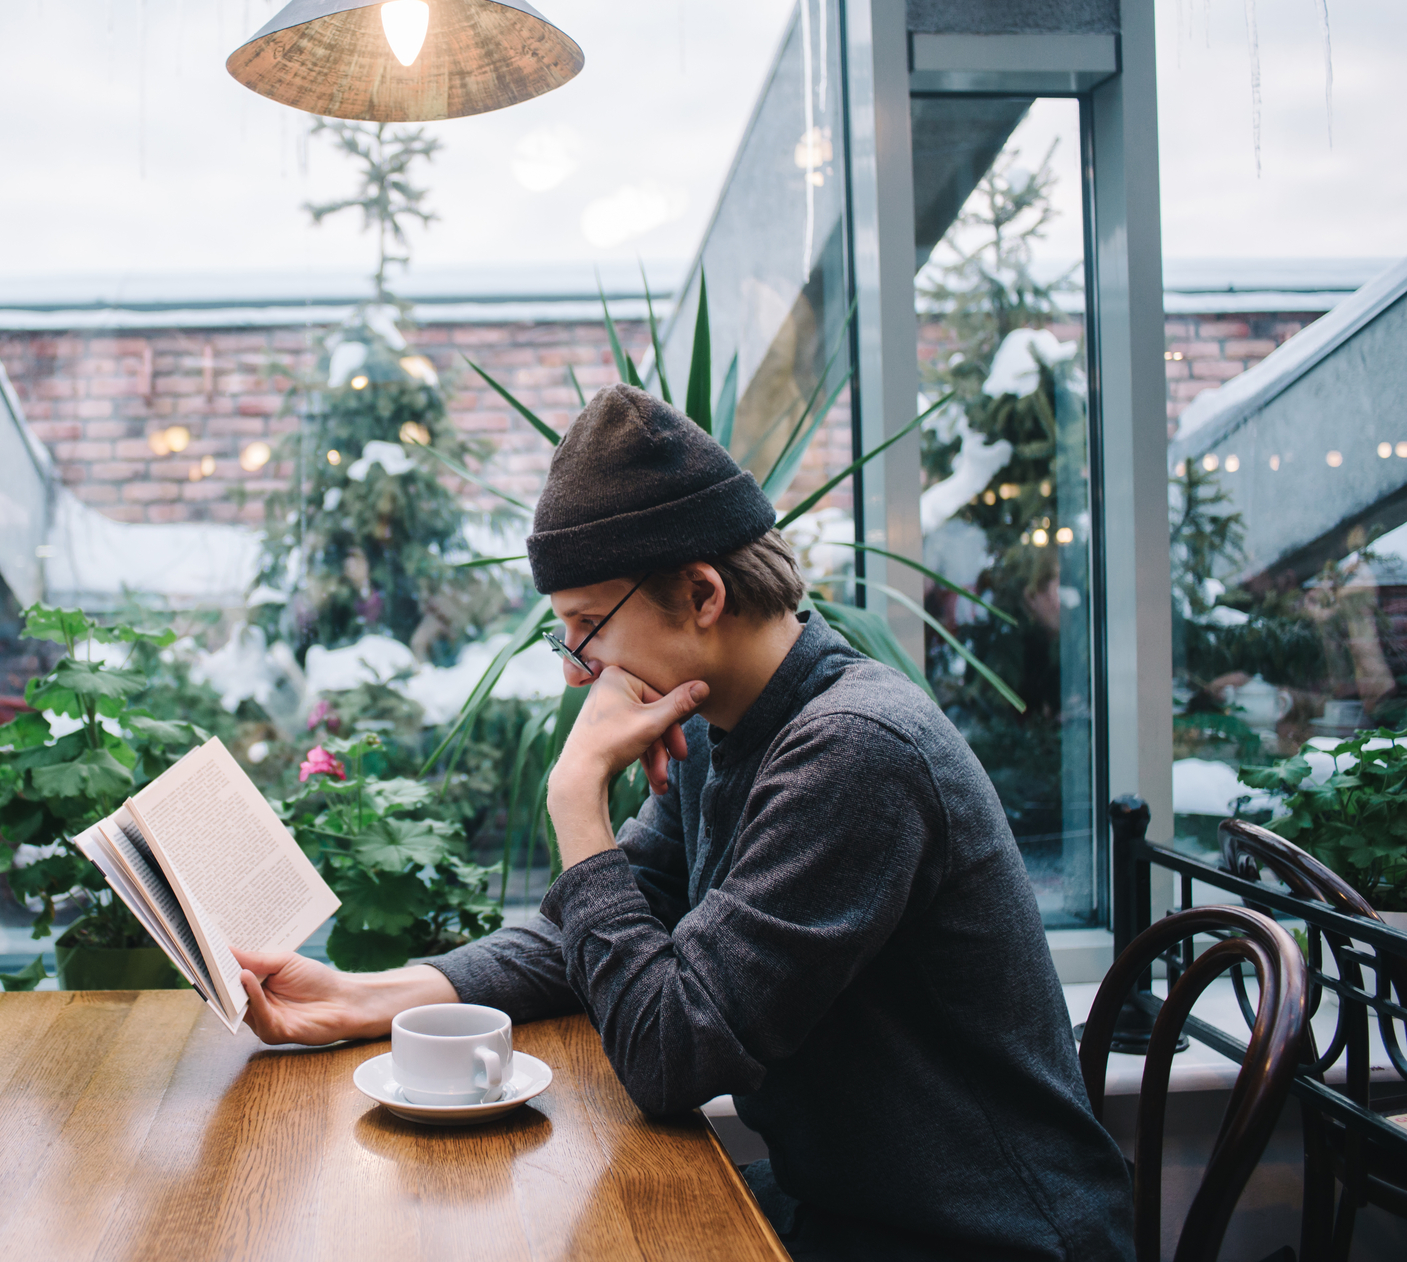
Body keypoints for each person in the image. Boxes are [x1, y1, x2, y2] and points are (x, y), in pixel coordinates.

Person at [237, 385, 1133, 1261]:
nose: (577, 674)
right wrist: (369, 996)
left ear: (702, 593)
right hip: (848, 1211)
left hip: (979, 1236)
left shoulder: (855, 754)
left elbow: (669, 1055)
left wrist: (576, 798)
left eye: (588, 628)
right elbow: (585, 937)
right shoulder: (720, 726)